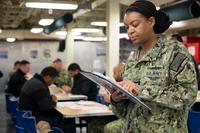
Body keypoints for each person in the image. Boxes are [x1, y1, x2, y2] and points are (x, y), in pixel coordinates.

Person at [108, 1, 198, 132]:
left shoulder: (174, 52)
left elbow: (187, 96)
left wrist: (141, 90)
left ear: (150, 21)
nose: (130, 31)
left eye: (135, 25)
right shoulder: (132, 60)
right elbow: (124, 114)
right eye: (127, 27)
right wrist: (116, 99)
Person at [18, 66, 75, 133]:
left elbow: (40, 100)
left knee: (60, 115)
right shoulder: (39, 86)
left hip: (27, 116)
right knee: (67, 119)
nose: (52, 83)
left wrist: (49, 98)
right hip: (35, 118)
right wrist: (54, 102)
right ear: (47, 77)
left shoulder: (34, 81)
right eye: (53, 80)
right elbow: (46, 108)